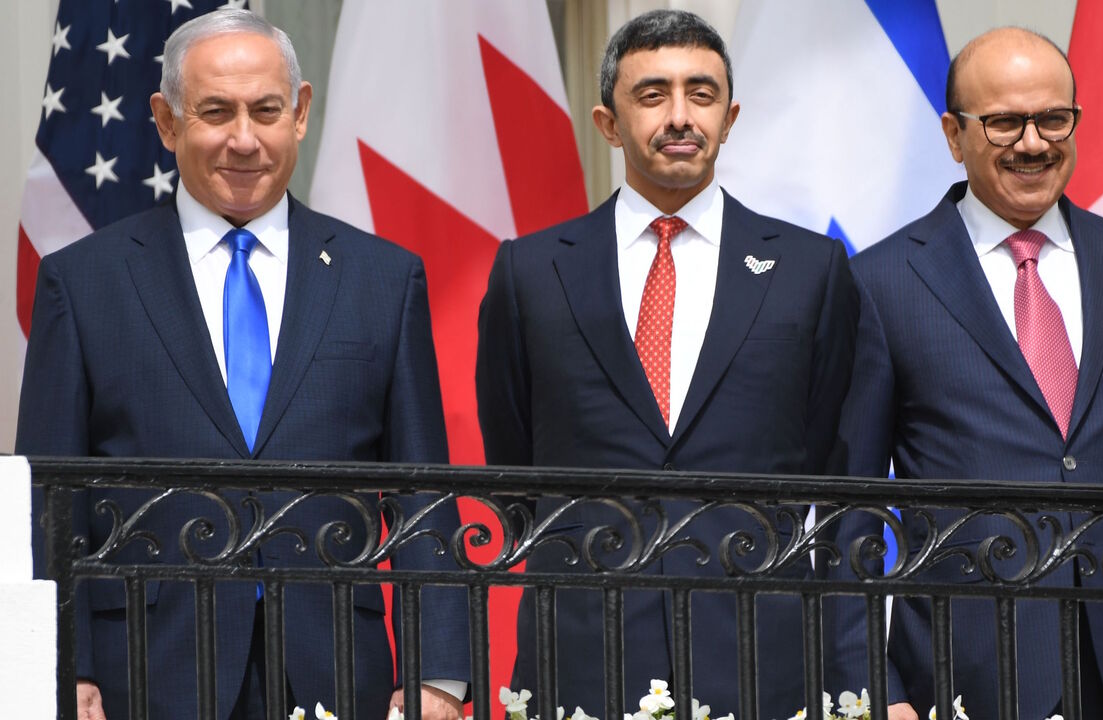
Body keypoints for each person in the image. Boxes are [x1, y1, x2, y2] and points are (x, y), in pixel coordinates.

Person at [16, 9, 467, 720]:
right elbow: (50, 501)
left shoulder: (382, 279)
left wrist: (440, 675)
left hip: (337, 671)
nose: (244, 140)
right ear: (166, 122)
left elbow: (423, 494)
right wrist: (63, 669)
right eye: (216, 112)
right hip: (145, 671)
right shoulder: (83, 282)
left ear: (301, 113)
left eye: (266, 110)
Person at [827, 27, 1103, 720]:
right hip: (961, 674)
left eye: (1052, 118)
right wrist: (874, 687)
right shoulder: (880, 283)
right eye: (1005, 122)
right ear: (954, 135)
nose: (1033, 143)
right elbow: (846, 513)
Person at [475, 9, 855, 718]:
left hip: (758, 644)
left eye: (701, 94)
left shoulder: (812, 270)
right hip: (584, 639)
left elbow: (832, 459)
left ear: (730, 114)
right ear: (609, 122)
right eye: (652, 95)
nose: (680, 116)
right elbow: (514, 464)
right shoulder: (529, 272)